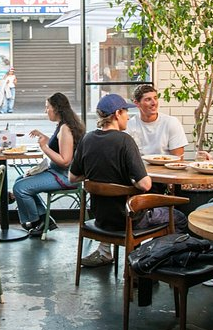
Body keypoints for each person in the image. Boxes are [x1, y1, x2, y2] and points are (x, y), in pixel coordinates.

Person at [69, 94, 187, 268]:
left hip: (101, 218)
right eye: (125, 112)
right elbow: (145, 184)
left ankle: (115, 254)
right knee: (179, 218)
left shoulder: (87, 139)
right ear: (117, 114)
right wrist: (132, 180)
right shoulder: (125, 141)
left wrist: (98, 174)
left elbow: (72, 177)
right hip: (129, 219)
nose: (128, 117)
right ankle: (153, 262)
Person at [12, 92, 85, 237]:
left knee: (20, 188)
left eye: (47, 107)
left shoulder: (65, 129)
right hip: (58, 172)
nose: (46, 111)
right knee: (20, 179)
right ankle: (43, 219)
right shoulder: (63, 125)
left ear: (56, 109)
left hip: (65, 176)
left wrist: (44, 147)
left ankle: (36, 221)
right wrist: (44, 137)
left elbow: (65, 161)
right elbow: (58, 145)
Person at [125, 84, 188, 157]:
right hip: (139, 164)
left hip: (166, 164)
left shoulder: (171, 122)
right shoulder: (129, 125)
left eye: (155, 98)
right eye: (148, 99)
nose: (154, 103)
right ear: (137, 103)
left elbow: (178, 158)